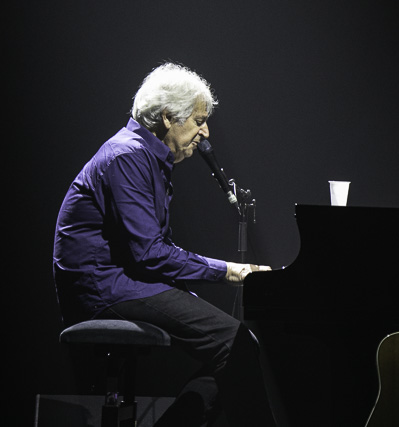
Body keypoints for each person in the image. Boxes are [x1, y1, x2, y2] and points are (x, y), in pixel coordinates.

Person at [53, 62, 277, 426]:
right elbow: (150, 252)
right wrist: (228, 271)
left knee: (238, 345)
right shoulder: (127, 156)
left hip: (124, 283)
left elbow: (150, 249)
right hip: (105, 290)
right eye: (199, 120)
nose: (205, 132)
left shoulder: (145, 157)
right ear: (169, 117)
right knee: (234, 343)